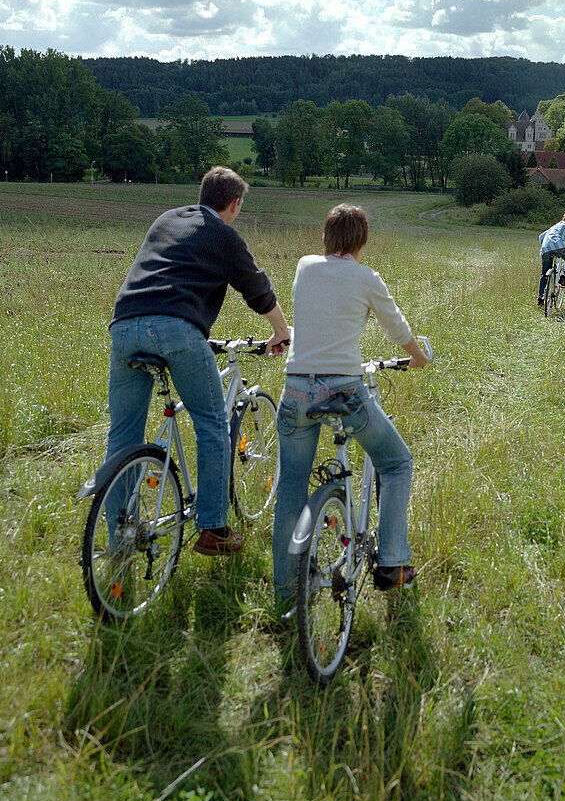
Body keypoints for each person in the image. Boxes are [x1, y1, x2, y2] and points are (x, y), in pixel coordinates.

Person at [106, 166, 291, 556]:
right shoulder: (223, 235)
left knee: (122, 437)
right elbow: (258, 289)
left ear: (203, 194)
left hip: (123, 326)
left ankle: (116, 539)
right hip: (175, 328)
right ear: (235, 204)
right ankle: (213, 529)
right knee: (211, 424)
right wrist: (281, 331)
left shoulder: (166, 219)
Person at [271, 203, 430, 608]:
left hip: (294, 391)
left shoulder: (305, 266)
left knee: (291, 489)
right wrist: (417, 355)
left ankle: (287, 595)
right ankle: (392, 563)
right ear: (362, 242)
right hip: (344, 390)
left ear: (325, 238)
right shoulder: (366, 278)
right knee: (396, 463)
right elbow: (396, 327)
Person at [537, 210, 565, 305]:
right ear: (564, 219)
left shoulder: (553, 227)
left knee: (544, 274)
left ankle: (540, 298)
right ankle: (564, 277)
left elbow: (541, 236)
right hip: (559, 247)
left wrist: (546, 246)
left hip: (545, 250)